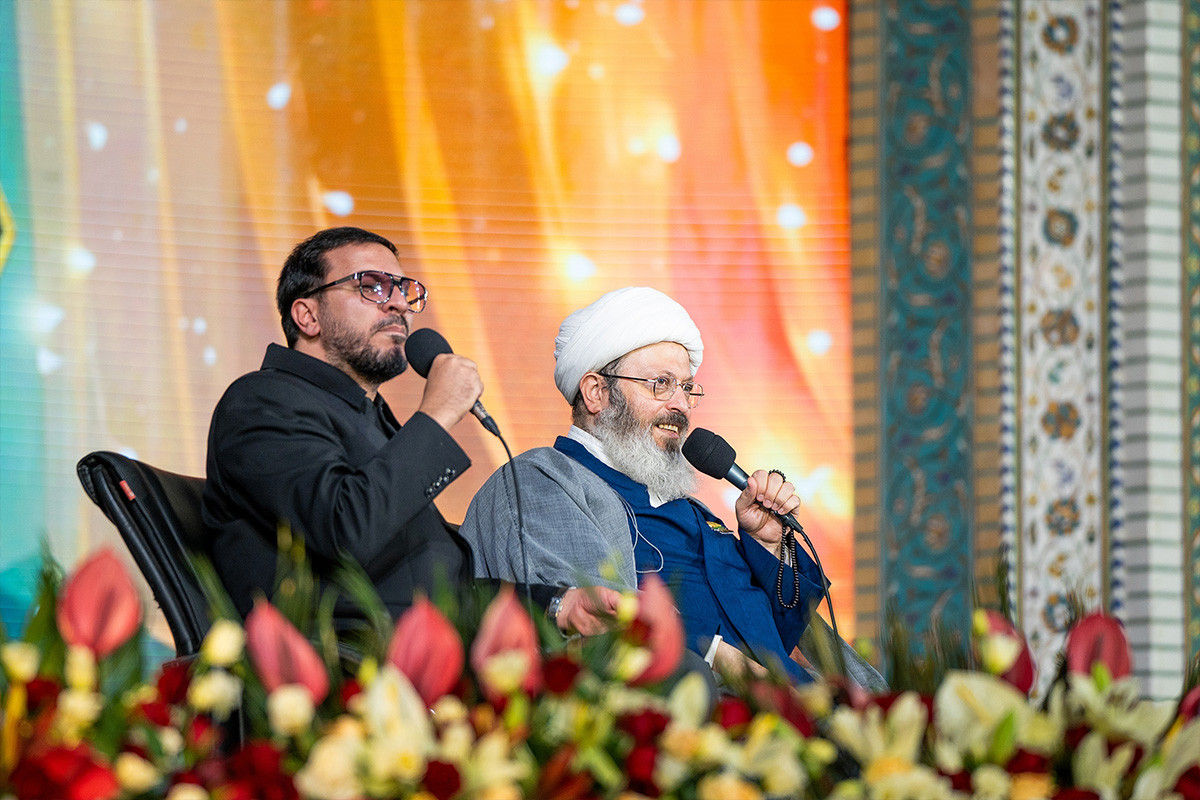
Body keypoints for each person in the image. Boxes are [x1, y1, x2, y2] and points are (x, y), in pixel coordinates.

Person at [460, 287, 885, 689]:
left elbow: (774, 639)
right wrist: (721, 661)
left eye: (686, 387)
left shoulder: (691, 510)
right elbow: (595, 638)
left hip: (796, 714)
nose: (680, 405)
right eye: (660, 384)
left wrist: (766, 546)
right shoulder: (544, 483)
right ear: (596, 393)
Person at [201, 226, 618, 635]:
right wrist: (437, 414)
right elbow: (344, 532)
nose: (400, 304)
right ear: (308, 316)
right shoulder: (261, 401)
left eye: (404, 290)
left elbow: (446, 588)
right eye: (371, 286)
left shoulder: (369, 419)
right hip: (340, 663)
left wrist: (559, 605)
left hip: (424, 656)